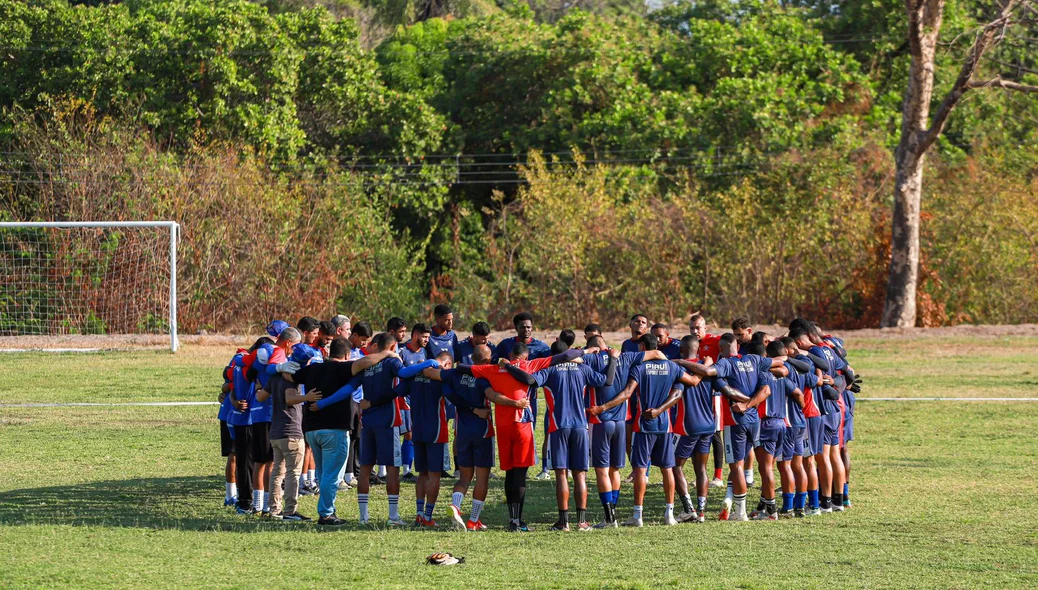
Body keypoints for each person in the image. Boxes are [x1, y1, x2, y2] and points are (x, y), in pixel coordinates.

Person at [458, 342, 584, 531]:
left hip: (502, 425)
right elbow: (564, 357)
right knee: (521, 473)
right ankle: (519, 522)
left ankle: (513, 520)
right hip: (522, 424)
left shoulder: (493, 368)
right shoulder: (530, 365)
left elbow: (464, 368)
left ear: (510, 354)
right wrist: (584, 351)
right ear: (526, 356)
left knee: (510, 472)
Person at [589, 333, 702, 527]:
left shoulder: (639, 368)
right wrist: (703, 368)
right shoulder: (672, 367)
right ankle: (669, 514)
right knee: (667, 468)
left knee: (640, 469)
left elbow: (627, 393)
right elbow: (692, 381)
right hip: (664, 425)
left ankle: (637, 516)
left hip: (643, 425)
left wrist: (603, 408)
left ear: (642, 347)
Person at [675, 334, 788, 521]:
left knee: (737, 466)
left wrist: (681, 361)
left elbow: (708, 372)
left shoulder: (726, 364)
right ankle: (771, 510)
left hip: (735, 421)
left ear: (721, 348)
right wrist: (751, 403)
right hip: (755, 421)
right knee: (765, 467)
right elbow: (781, 363)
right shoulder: (754, 360)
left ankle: (740, 512)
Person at [506, 341, 615, 531]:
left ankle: (563, 522)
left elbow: (529, 380)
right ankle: (581, 522)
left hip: (558, 426)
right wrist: (613, 359)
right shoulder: (583, 368)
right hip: (581, 426)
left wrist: (508, 366)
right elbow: (607, 380)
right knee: (580, 475)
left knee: (562, 474)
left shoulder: (549, 369)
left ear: (553, 356)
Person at [291, 337, 394, 526]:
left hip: (312, 429)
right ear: (347, 355)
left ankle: (326, 509)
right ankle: (326, 513)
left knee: (323, 472)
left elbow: (290, 376)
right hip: (334, 429)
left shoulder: (313, 369)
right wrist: (387, 353)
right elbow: (365, 362)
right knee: (333, 475)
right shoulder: (343, 368)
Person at [351, 332, 439, 526]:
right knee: (392, 469)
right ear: (392, 348)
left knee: (365, 468)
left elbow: (349, 388)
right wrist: (428, 363)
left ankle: (363, 517)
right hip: (388, 421)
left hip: (368, 422)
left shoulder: (368, 364)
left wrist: (324, 404)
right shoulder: (392, 362)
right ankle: (393, 517)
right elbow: (405, 373)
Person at [581, 335, 666, 528]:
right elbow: (657, 353)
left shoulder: (591, 358)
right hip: (621, 422)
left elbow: (568, 358)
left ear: (593, 347)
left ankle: (610, 518)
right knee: (615, 470)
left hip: (600, 420)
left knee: (601, 470)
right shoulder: (626, 357)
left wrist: (585, 352)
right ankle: (613, 513)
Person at [422, 345, 496, 530]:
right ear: (487, 361)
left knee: (464, 477)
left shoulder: (454, 374)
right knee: (482, 479)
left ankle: (455, 506)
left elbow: (429, 373)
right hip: (482, 432)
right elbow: (493, 396)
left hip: (462, 433)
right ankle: (473, 520)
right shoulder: (485, 376)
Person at [670, 336, 744, 523]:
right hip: (709, 425)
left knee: (674, 466)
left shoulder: (680, 368)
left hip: (688, 426)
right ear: (698, 350)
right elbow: (728, 391)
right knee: (701, 469)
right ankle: (701, 513)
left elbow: (678, 393)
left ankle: (689, 509)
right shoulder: (707, 369)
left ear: (681, 352)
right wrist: (749, 401)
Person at [257, 357, 322, 522]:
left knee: (277, 472)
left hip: (275, 433)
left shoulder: (274, 378)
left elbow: (260, 397)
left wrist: (257, 387)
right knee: (293, 473)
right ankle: (290, 511)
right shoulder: (292, 380)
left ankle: (274, 509)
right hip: (291, 432)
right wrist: (307, 397)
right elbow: (290, 398)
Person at [246, 327, 302, 515]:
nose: (295, 350)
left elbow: (260, 389)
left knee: (272, 465)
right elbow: (271, 369)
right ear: (288, 343)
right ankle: (266, 506)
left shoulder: (269, 357)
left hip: (269, 418)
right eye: (295, 346)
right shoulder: (276, 353)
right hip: (273, 418)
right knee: (269, 464)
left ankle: (268, 506)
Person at [396, 350, 455, 527]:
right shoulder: (440, 378)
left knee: (422, 473)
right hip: (436, 431)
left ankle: (419, 514)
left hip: (418, 430)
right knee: (434, 474)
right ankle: (428, 517)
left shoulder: (415, 373)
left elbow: (399, 391)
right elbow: (453, 395)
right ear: (447, 364)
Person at [228, 336, 275, 515]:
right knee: (258, 461)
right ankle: (251, 502)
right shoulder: (256, 366)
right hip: (252, 418)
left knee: (245, 460)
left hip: (240, 417)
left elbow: (230, 385)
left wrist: (233, 401)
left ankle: (244, 500)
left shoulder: (240, 360)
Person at [778, 336, 817, 518]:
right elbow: (814, 380)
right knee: (799, 464)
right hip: (801, 422)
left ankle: (788, 507)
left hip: (789, 423)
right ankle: (800, 506)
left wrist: (800, 403)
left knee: (785, 465)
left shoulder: (783, 370)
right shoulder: (800, 368)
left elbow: (797, 392)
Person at [689, 313, 724, 488]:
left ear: (705, 328)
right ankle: (700, 474)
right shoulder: (690, 343)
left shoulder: (716, 340)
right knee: (698, 434)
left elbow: (732, 345)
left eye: (698, 327)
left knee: (716, 433)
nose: (695, 331)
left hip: (715, 393)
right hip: (697, 394)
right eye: (692, 328)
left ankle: (718, 476)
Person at [398, 324, 432, 483]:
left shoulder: (424, 352)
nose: (427, 340)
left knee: (414, 433)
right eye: (424, 337)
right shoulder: (402, 351)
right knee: (408, 433)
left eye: (428, 337)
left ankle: (407, 468)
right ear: (415, 335)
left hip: (419, 399)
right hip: (404, 399)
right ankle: (405, 471)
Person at [219, 347, 247, 507]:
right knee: (235, 455)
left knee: (240, 456)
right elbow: (227, 384)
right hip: (233, 415)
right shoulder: (241, 359)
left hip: (237, 414)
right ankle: (231, 496)